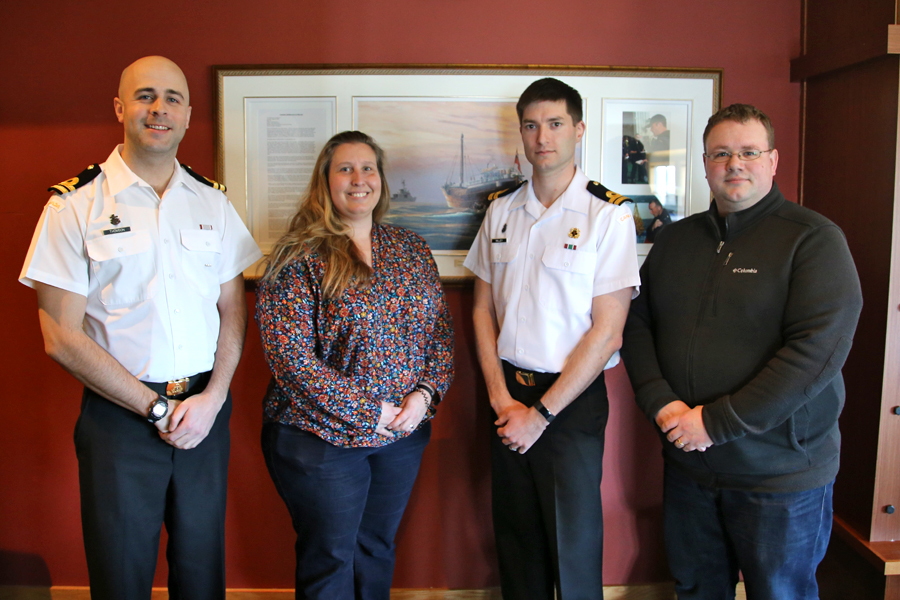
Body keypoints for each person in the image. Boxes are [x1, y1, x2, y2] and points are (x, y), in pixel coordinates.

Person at [19, 56, 262, 599]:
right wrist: (154, 408)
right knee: (121, 576)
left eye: (173, 98)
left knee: (202, 576)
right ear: (120, 108)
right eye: (146, 96)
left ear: (189, 114)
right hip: (120, 421)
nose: (160, 109)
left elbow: (233, 307)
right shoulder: (73, 206)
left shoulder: (212, 202)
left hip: (203, 413)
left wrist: (214, 397)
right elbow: (59, 335)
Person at [621, 104, 863, 600]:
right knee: (695, 589)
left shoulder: (814, 240)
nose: (735, 164)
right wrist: (660, 403)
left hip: (779, 477)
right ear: (705, 163)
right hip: (690, 467)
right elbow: (638, 325)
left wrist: (715, 423)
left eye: (749, 152)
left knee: (780, 593)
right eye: (722, 153)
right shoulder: (675, 241)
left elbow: (814, 354)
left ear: (773, 161)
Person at [256, 130, 454, 599]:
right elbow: (291, 360)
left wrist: (424, 395)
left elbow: (440, 336)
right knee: (331, 559)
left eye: (368, 168)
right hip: (320, 440)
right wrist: (373, 411)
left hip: (401, 437)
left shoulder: (410, 249)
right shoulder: (297, 256)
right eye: (345, 168)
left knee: (376, 549)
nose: (358, 179)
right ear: (325, 181)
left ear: (381, 179)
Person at [464, 78, 640, 599]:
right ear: (520, 132)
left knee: (573, 545)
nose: (543, 136)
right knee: (517, 542)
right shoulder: (500, 211)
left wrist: (540, 415)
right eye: (532, 125)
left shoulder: (607, 215)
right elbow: (480, 311)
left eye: (556, 123)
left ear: (579, 130)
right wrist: (502, 400)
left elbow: (608, 332)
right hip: (507, 395)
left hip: (571, 402)